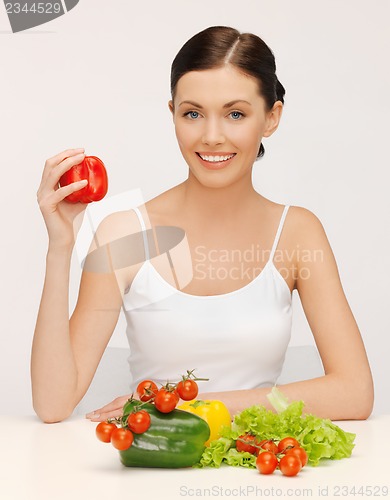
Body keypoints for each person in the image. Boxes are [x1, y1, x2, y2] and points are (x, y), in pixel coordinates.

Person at [32, 26, 374, 424]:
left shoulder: (297, 233)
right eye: (192, 113)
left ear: (271, 118)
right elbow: (52, 405)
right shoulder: (124, 233)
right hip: (153, 466)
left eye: (235, 114)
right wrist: (59, 247)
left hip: (260, 471)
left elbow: (354, 393)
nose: (212, 136)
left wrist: (194, 406)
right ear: (173, 113)